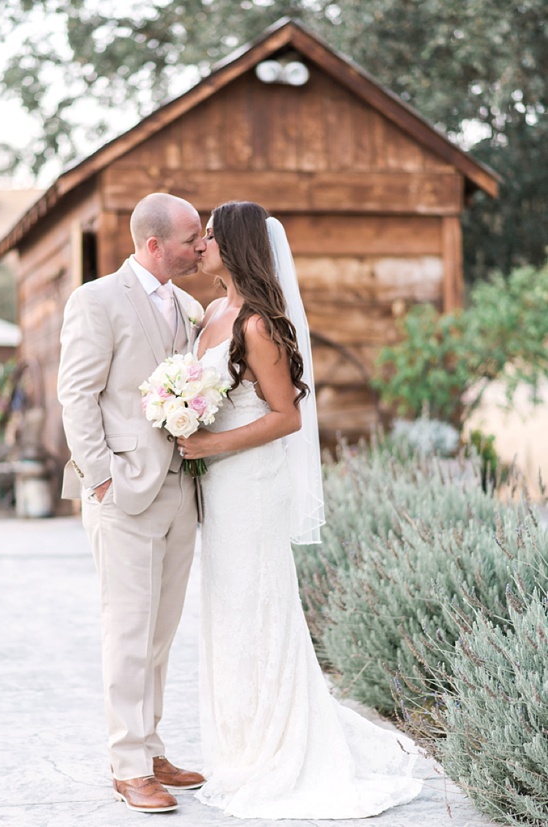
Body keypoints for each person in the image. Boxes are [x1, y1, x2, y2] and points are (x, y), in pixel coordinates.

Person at [177, 201, 423, 819]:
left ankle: (277, 748)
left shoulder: (258, 325)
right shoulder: (211, 313)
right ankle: (238, 742)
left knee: (258, 604)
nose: (199, 244)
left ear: (234, 246)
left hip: (252, 485)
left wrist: (209, 443)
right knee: (228, 609)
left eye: (208, 236)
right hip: (221, 486)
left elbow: (285, 418)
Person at [57, 192, 207, 814]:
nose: (202, 246)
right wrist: (101, 480)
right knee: (126, 628)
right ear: (153, 244)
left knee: (161, 632)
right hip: (123, 492)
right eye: (192, 238)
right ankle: (126, 766)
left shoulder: (192, 307)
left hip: (181, 489)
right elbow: (77, 395)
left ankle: (150, 747)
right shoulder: (95, 300)